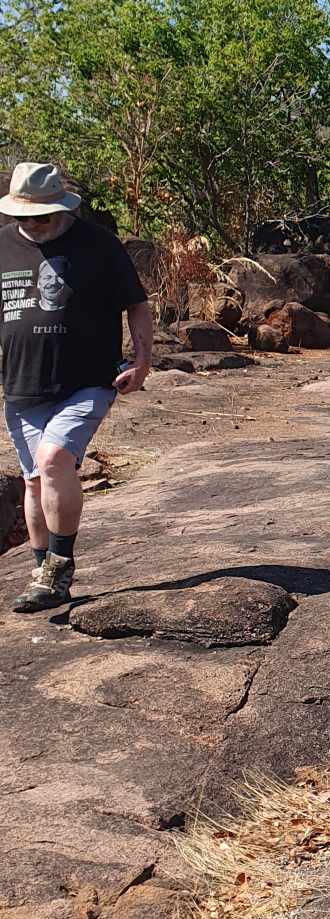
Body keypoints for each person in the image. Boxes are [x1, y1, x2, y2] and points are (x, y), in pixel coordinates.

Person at [2, 162, 153, 613]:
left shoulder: (98, 245)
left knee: (53, 461)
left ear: (61, 210)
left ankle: (60, 567)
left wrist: (142, 360)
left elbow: (136, 305)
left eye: (42, 217)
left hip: (88, 380)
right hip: (22, 387)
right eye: (24, 218)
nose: (33, 225)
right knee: (34, 483)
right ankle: (41, 572)